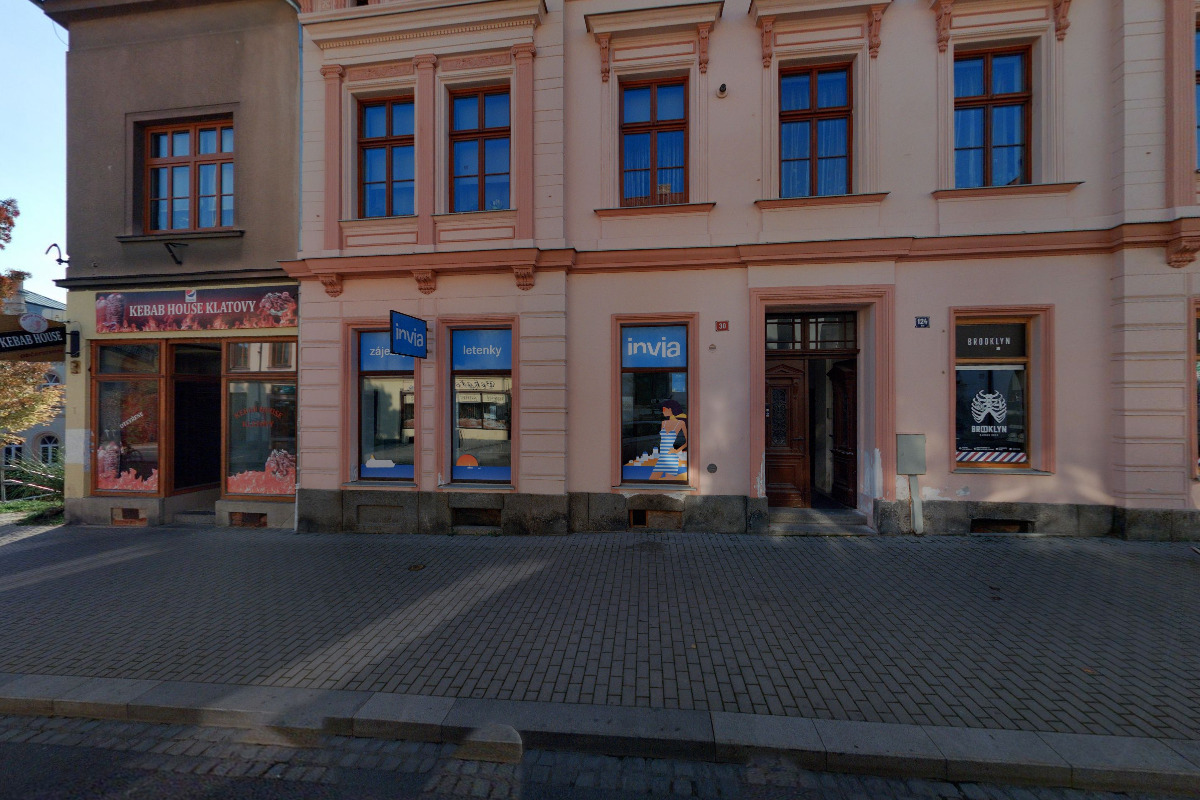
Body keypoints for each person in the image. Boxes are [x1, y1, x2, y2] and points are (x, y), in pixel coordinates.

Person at [649, 399, 687, 480]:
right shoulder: (664, 423)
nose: (662, 411)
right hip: (662, 457)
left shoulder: (680, 423)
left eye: (663, 409)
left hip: (670, 458)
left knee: (670, 482)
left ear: (670, 409)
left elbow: (688, 441)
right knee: (652, 480)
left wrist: (677, 451)